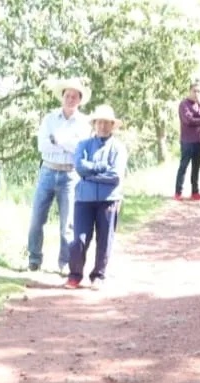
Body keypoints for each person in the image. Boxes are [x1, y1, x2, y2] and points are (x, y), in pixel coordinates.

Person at [27, 78, 91, 273]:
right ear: (62, 97)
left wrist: (58, 139)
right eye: (67, 96)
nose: (70, 99)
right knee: (37, 218)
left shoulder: (84, 122)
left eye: (74, 97)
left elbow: (80, 148)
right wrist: (66, 142)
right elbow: (42, 145)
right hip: (47, 170)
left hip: (70, 174)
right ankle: (34, 259)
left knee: (68, 224)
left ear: (79, 100)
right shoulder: (49, 119)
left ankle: (64, 262)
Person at [66, 106, 129, 289]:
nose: (102, 126)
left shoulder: (118, 148)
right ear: (94, 124)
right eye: (98, 122)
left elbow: (115, 176)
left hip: (109, 199)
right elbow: (79, 166)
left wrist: (90, 174)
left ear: (112, 125)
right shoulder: (83, 145)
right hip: (84, 199)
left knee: (105, 239)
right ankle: (75, 275)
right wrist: (101, 168)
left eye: (106, 122)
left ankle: (98, 275)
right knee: (79, 239)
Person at [175, 83, 200, 201]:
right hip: (187, 141)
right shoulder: (184, 104)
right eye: (194, 91)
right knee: (183, 166)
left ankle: (195, 192)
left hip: (199, 140)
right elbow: (188, 120)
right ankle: (178, 192)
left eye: (199, 91)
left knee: (196, 167)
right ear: (189, 91)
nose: (196, 93)